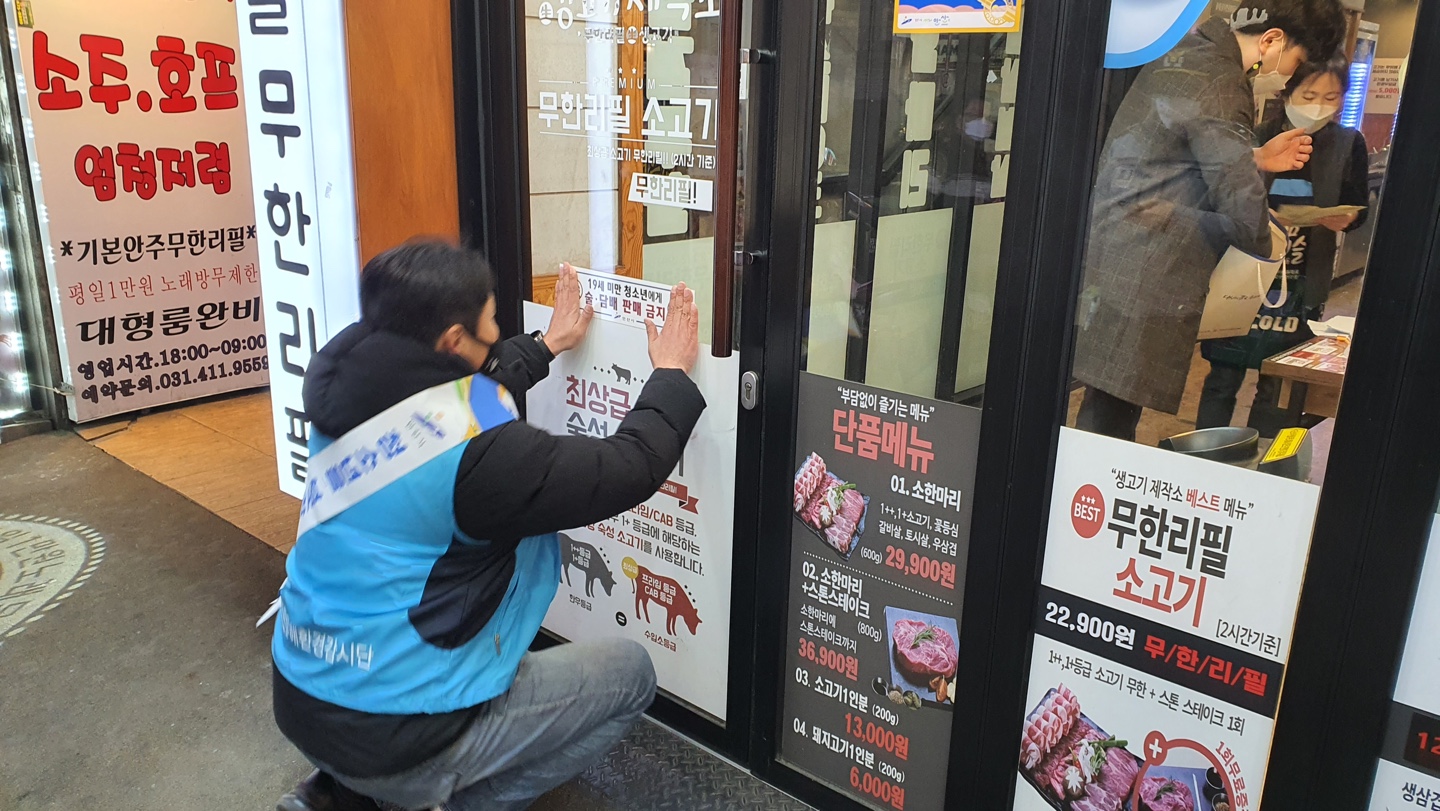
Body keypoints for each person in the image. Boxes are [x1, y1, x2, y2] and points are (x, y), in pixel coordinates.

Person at [269, 241, 706, 811]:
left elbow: (456, 402)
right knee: (631, 677)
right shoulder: (479, 460)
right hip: (395, 725)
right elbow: (626, 469)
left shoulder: (350, 393)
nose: (499, 331)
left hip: (302, 686)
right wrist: (670, 374)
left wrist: (546, 345)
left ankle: (340, 795)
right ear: (452, 341)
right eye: (492, 322)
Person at [1072, 0, 1345, 441]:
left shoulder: (1190, 50)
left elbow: (1174, 155)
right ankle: (1081, 502)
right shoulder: (1222, 80)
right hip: (1146, 263)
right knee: (1110, 415)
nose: (1287, 78)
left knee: (1107, 401)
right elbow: (1241, 211)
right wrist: (1265, 233)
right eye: (1294, 64)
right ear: (1272, 39)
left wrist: (1253, 157)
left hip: (1124, 249)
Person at [1196, 57, 1369, 434]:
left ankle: (1264, 470)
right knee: (1224, 375)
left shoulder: (1348, 144)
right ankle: (1205, 457)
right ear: (1288, 91)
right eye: (1309, 94)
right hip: (1245, 276)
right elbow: (1223, 200)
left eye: (1331, 96)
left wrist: (1348, 218)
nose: (1318, 104)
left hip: (1305, 279)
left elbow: (1359, 206)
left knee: (1278, 383)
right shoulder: (1259, 135)